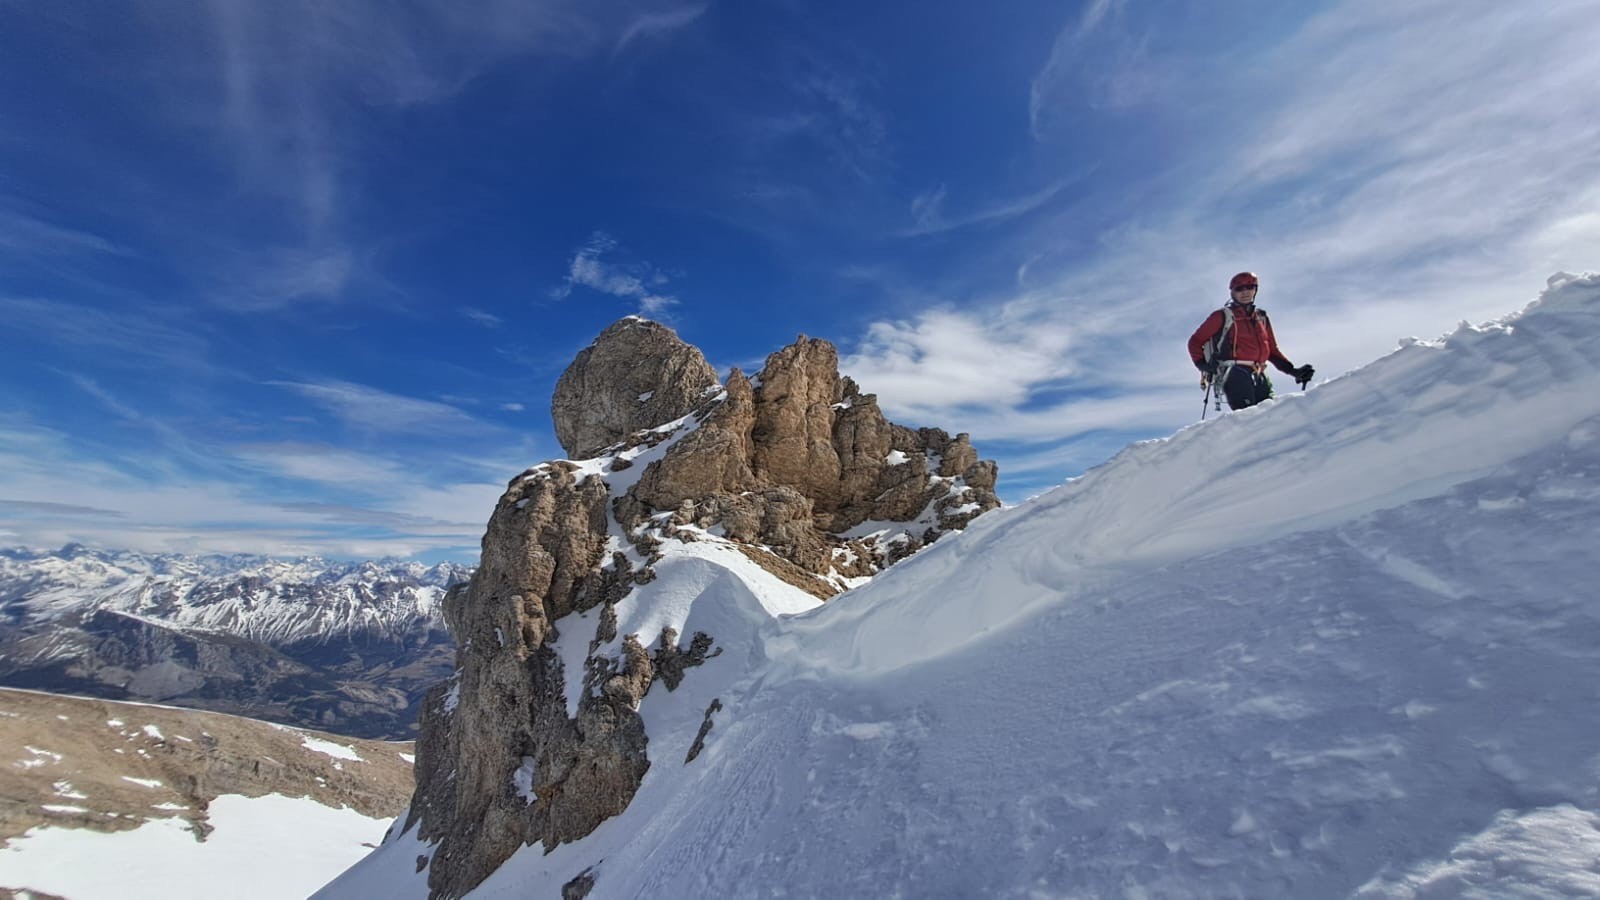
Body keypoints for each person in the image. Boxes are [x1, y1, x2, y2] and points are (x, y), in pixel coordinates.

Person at [1188, 271, 1315, 410]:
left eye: (1250, 287)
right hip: (1234, 372)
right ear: (1232, 292)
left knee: (1271, 415)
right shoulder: (1222, 316)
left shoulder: (1261, 318)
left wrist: (1293, 371)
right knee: (1250, 418)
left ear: (1256, 290)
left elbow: (1271, 350)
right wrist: (1202, 364)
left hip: (1258, 372)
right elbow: (1195, 341)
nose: (1245, 292)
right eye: (1239, 289)